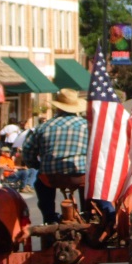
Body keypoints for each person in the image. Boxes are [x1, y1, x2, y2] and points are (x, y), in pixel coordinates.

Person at [23, 89, 88, 224]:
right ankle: (88, 213)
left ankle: (49, 217)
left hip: (51, 176)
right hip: (80, 174)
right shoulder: (87, 125)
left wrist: (35, 165)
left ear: (58, 107)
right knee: (89, 184)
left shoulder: (43, 127)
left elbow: (28, 150)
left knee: (41, 184)